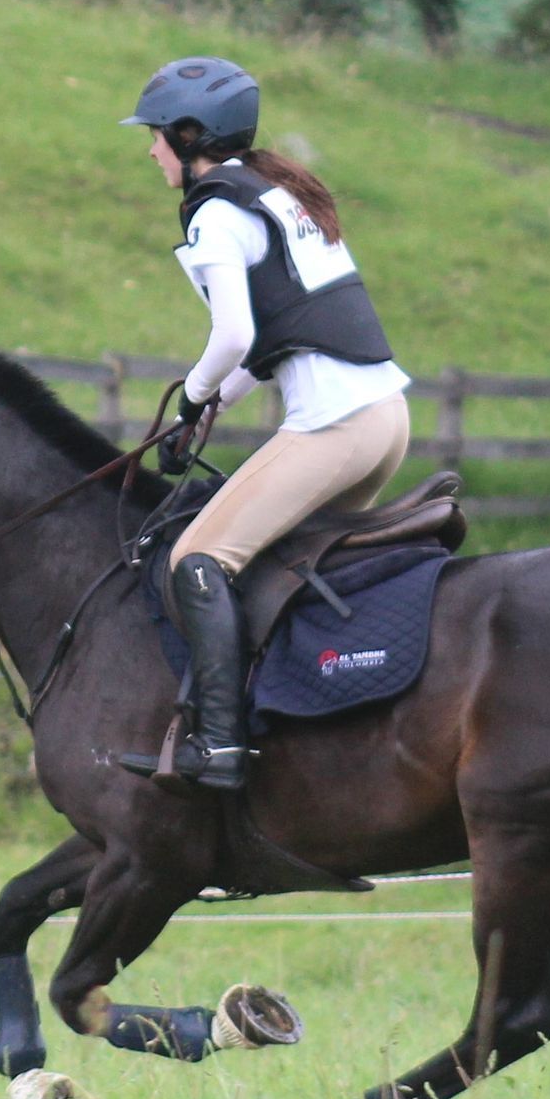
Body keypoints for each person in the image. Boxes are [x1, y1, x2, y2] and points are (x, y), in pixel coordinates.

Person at [118, 56, 411, 791]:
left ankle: (219, 747)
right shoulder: (281, 194)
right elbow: (279, 339)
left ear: (190, 136)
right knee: (280, 568)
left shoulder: (219, 212)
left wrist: (190, 396)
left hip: (336, 428)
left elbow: (234, 339)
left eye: (156, 136)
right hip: (385, 417)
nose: (150, 150)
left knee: (198, 559)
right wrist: (214, 410)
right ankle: (315, 717)